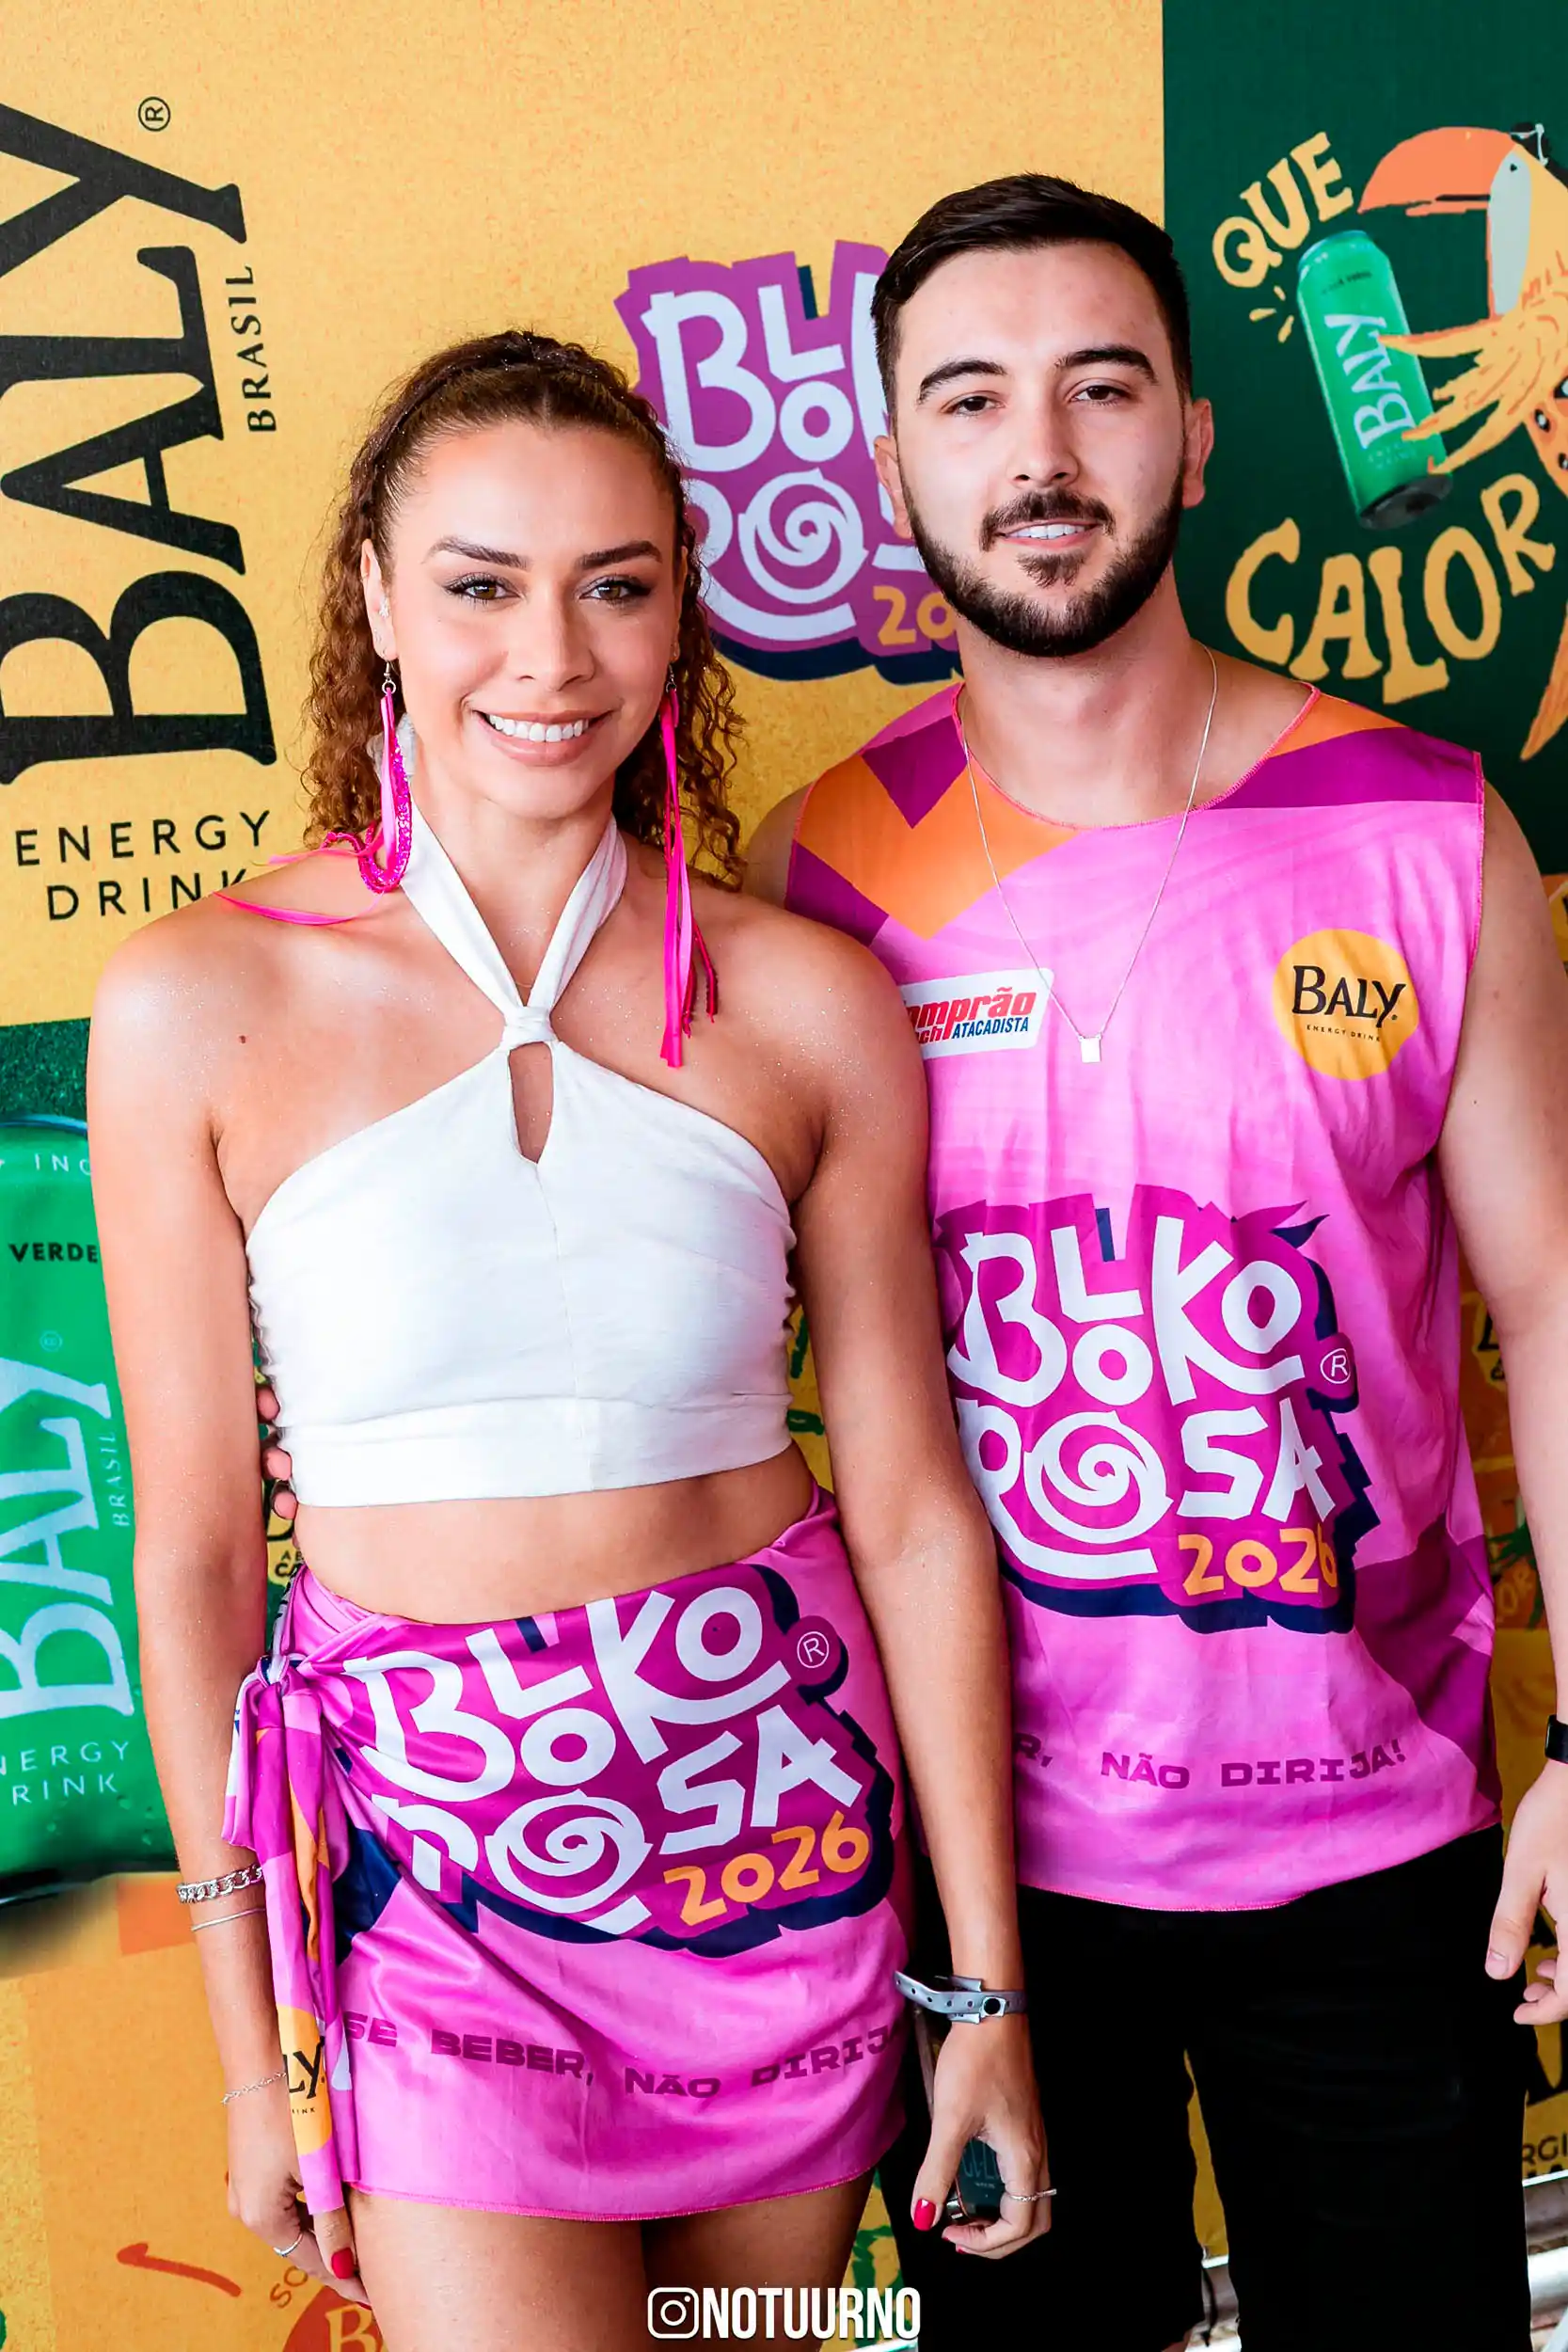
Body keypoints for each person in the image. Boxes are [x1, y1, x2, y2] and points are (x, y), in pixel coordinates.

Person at [87, 330, 1047, 2352]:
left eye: (614, 585)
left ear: (679, 610)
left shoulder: (807, 1003)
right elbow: (191, 1561)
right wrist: (253, 2048)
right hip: (428, 1898)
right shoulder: (192, 1003)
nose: (550, 656)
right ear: (374, 596)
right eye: (481, 584)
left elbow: (907, 1506)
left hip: (779, 1842)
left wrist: (983, 1989)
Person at [746, 177, 1568, 2352]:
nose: (1038, 453)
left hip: (1379, 1853)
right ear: (891, 466)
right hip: (984, 1873)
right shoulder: (812, 875)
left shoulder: (1423, 827)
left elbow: (1553, 1305)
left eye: (1098, 387)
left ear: (1193, 439)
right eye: (969, 399)